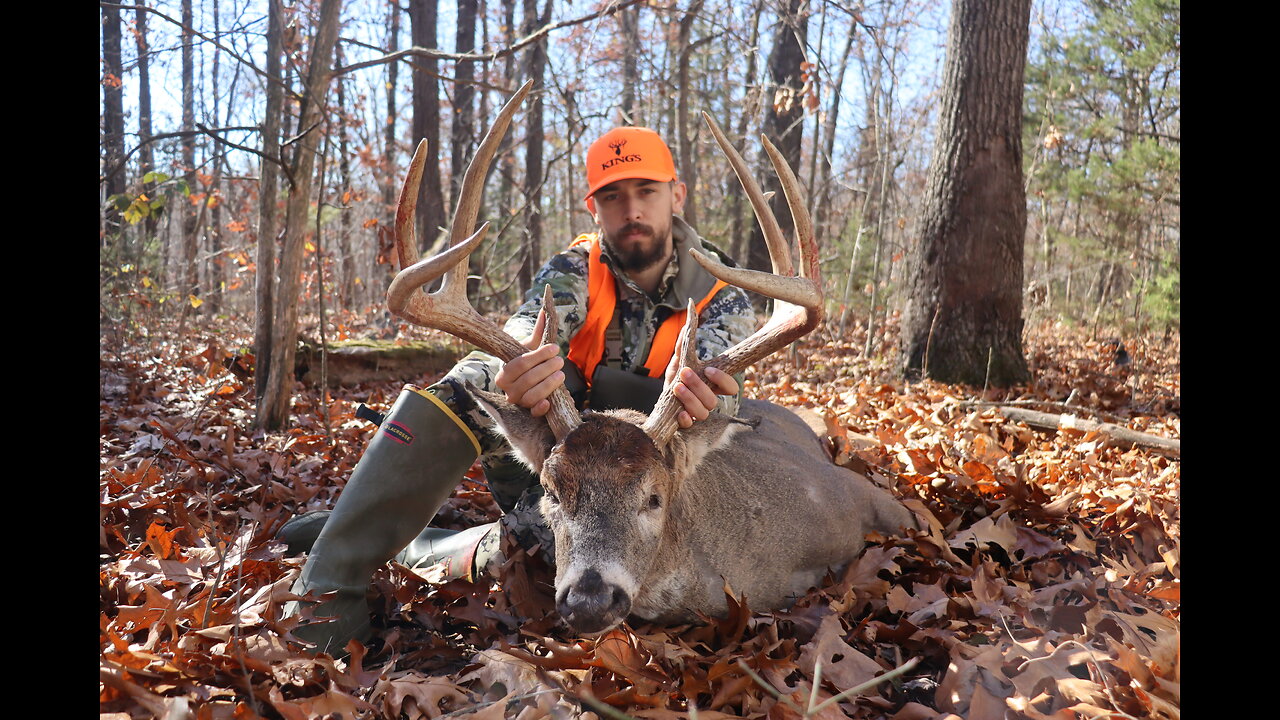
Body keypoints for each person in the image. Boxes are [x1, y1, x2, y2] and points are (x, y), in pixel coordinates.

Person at [281, 126, 756, 655]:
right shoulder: (576, 270)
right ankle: (330, 585)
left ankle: (408, 542)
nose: (632, 210)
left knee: (528, 550)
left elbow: (725, 389)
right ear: (593, 207)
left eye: (647, 191)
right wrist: (512, 371)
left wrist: (714, 397)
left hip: (648, 493)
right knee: (474, 382)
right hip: (560, 470)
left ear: (677, 194)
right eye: (613, 195)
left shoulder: (722, 289)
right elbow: (524, 329)